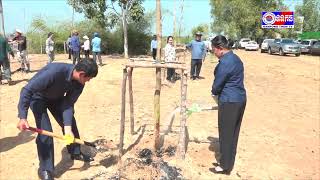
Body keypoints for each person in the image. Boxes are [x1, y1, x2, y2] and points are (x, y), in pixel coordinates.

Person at [16, 60, 98, 180]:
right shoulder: (54, 72)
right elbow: (27, 90)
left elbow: (68, 103)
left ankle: (75, 152)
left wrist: (67, 127)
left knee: (70, 123)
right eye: (88, 78)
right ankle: (45, 169)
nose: (88, 81)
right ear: (81, 74)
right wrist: (22, 117)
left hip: (56, 98)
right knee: (45, 132)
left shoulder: (79, 83)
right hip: (38, 98)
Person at [209, 35, 246, 175]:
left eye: (214, 50)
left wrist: (214, 92)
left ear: (220, 49)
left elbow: (217, 85)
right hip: (240, 99)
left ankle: (224, 166)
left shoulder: (225, 62)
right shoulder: (236, 58)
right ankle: (228, 162)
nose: (213, 52)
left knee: (225, 133)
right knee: (233, 133)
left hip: (229, 101)